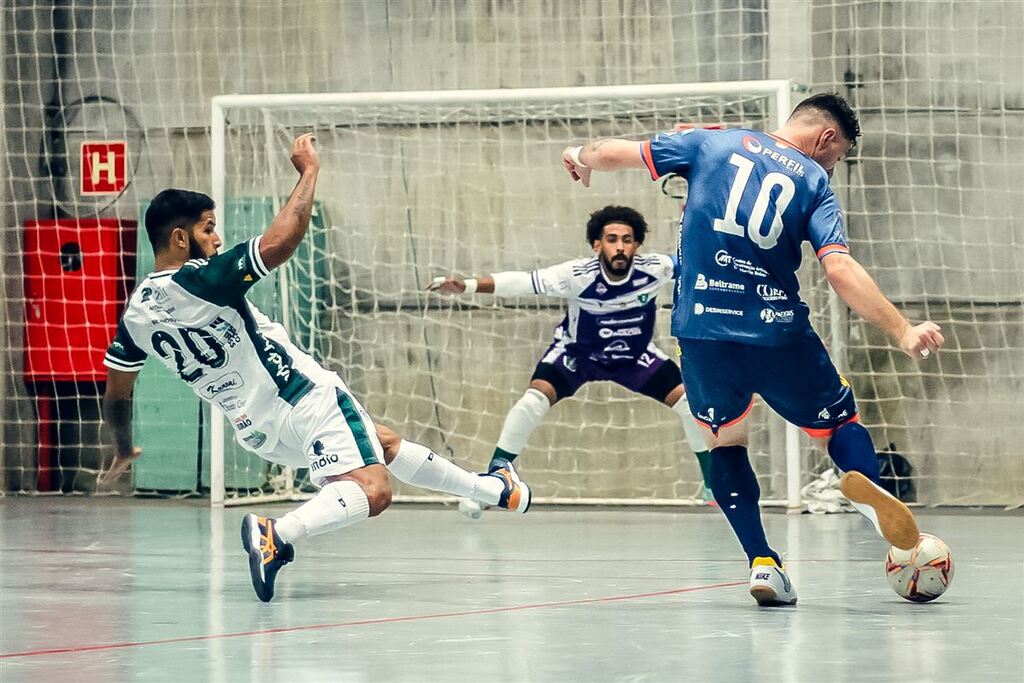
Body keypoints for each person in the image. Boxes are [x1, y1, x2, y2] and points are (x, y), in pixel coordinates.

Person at [100, 134, 531, 603]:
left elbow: (117, 393)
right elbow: (280, 242)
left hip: (258, 431)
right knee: (373, 489)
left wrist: (122, 449)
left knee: (380, 441)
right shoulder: (198, 279)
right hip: (301, 396)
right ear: (180, 238)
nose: (217, 237)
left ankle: (492, 490)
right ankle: (277, 534)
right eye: (208, 228)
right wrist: (308, 172)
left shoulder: (136, 315)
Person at [561, 93, 944, 606]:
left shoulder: (710, 141)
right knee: (837, 426)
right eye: (839, 155)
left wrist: (579, 154)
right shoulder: (814, 182)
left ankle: (763, 563)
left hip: (701, 331)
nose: (833, 164)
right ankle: (871, 497)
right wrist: (901, 330)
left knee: (726, 441)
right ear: (827, 139)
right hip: (776, 330)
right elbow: (839, 269)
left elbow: (613, 153)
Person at [428, 205, 715, 517]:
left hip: (634, 357)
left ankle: (713, 484)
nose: (620, 247)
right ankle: (496, 480)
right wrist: (468, 286)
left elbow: (696, 261)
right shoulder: (576, 276)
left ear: (637, 245)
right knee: (531, 402)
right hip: (577, 356)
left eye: (628, 239)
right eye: (612, 239)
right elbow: (523, 282)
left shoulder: (655, 268)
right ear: (597, 245)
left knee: (691, 404)